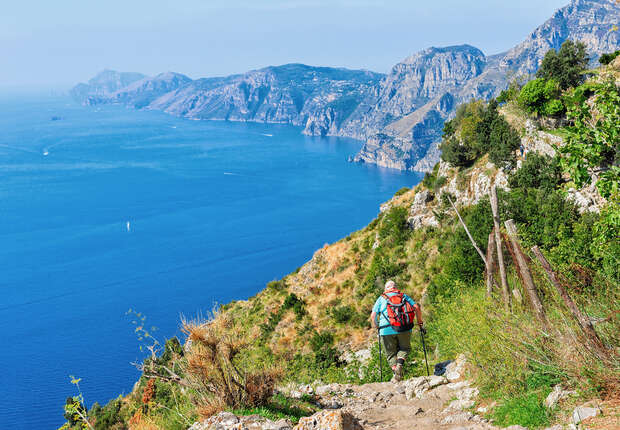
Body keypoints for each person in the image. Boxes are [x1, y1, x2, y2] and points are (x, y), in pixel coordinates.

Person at [370, 280, 424, 382]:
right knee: (405, 348)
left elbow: (373, 316)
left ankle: (396, 373)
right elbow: (416, 307)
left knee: (390, 354)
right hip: (404, 328)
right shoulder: (403, 296)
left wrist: (377, 327)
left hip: (386, 330)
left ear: (386, 289)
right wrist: (420, 322)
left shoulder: (381, 298)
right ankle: (400, 365)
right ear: (395, 287)